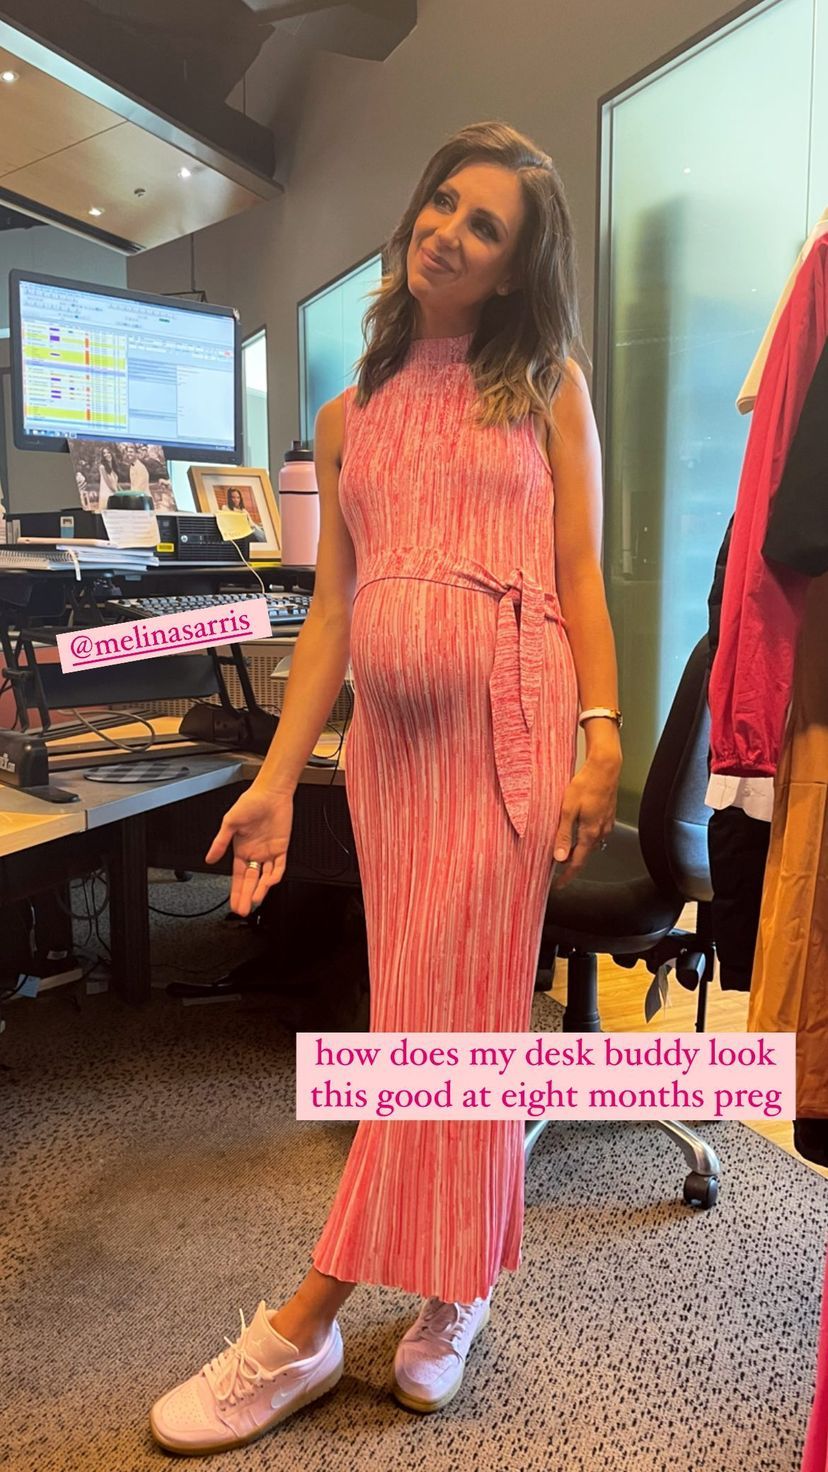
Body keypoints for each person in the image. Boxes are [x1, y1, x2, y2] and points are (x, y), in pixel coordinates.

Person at [150, 120, 622, 1457]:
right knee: (433, 1021)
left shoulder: (547, 388)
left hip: (510, 733)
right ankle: (458, 1286)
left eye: (486, 226)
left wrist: (600, 735)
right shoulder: (347, 416)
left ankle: (303, 1324)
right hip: (391, 759)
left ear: (517, 266)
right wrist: (278, 779)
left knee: (445, 1031)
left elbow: (580, 575)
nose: (448, 233)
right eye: (443, 204)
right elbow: (333, 618)